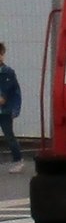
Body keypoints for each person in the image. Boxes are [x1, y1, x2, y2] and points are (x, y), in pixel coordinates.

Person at [0, 43, 23, 174]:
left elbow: (4, 97)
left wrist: (15, 109)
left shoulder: (7, 72)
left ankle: (18, 160)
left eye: (1, 54)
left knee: (9, 136)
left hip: (5, 112)